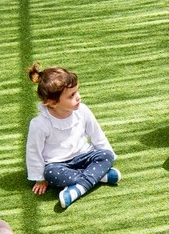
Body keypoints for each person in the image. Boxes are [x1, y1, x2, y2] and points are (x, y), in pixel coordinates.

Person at [26, 63, 120, 209]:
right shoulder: (39, 124)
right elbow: (33, 152)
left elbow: (97, 134)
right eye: (71, 95)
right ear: (52, 103)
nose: (78, 97)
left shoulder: (82, 110)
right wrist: (40, 178)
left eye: (77, 92)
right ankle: (100, 176)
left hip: (85, 156)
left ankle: (78, 189)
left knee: (106, 155)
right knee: (50, 174)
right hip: (58, 165)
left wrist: (108, 157)